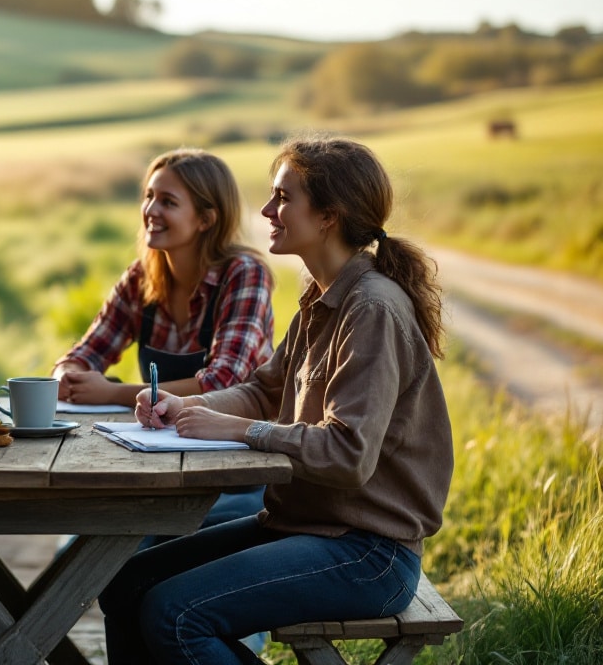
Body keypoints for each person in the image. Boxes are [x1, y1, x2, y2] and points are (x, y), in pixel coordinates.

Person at [98, 135, 453, 664]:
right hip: (302, 526)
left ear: (329, 216)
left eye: (283, 197)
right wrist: (190, 409)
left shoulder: (372, 309)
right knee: (126, 584)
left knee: (173, 615)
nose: (267, 210)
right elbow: (265, 390)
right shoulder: (321, 297)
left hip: (367, 552)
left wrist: (241, 431)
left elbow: (349, 453)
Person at [52, 149, 275, 533]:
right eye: (149, 197)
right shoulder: (142, 278)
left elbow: (223, 382)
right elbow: (83, 355)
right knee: (84, 528)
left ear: (206, 219)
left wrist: (110, 393)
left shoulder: (244, 274)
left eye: (168, 202)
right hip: (161, 462)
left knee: (125, 539)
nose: (151, 210)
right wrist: (67, 376)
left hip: (236, 474)